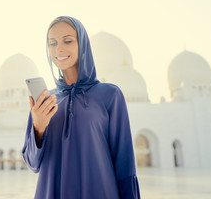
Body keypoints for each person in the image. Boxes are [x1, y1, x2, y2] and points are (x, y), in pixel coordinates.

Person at [22, 16, 141, 199]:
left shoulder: (109, 95)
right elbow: (32, 163)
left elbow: (125, 167)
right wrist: (38, 127)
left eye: (67, 41)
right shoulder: (46, 101)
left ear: (83, 45)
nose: (58, 49)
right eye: (52, 43)